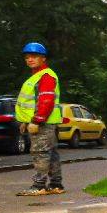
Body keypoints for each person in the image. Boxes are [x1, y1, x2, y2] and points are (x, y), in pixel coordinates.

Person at [15, 42, 63, 197]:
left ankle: (39, 185)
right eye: (27, 57)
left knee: (40, 153)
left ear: (43, 58)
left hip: (42, 124)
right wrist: (25, 120)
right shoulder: (37, 76)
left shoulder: (45, 76)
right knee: (51, 154)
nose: (30, 59)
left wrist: (36, 121)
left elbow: (46, 101)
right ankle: (56, 185)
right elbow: (33, 101)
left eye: (34, 56)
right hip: (45, 122)